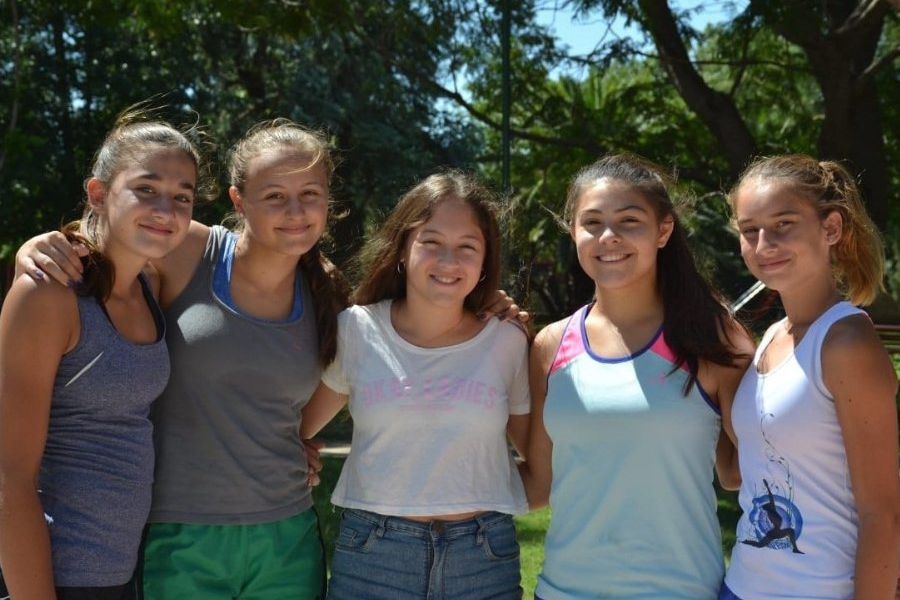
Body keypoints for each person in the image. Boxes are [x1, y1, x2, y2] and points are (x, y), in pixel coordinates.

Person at [14, 122, 526, 599]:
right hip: (178, 532)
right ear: (238, 199)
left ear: (329, 203)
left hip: (286, 533)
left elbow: (397, 341)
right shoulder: (188, 249)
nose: (295, 212)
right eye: (274, 196)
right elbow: (114, 239)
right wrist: (38, 248)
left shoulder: (329, 294)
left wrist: (486, 304)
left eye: (310, 196)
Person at [521, 154, 754, 600]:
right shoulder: (549, 346)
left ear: (662, 231)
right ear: (573, 231)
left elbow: (739, 470)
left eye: (629, 221)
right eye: (592, 222)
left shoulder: (714, 339)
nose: (609, 237)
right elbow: (539, 484)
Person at [0, 113, 204, 599]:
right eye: (146, 188)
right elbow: (7, 477)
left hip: (123, 572)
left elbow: (265, 241)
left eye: (182, 197)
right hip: (48, 578)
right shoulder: (49, 294)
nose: (165, 209)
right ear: (97, 192)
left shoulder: (151, 286)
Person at [300, 171, 531, 600]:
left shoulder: (508, 341)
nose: (449, 260)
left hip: (483, 558)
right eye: (431, 242)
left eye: (467, 247)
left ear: (485, 263)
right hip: (374, 555)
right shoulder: (356, 329)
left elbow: (541, 457)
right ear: (403, 248)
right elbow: (297, 430)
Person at [720, 155, 899, 600]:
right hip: (741, 586)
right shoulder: (770, 338)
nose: (764, 245)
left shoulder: (846, 342)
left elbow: (884, 513)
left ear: (831, 229)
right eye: (750, 230)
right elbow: (735, 475)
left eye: (783, 224)